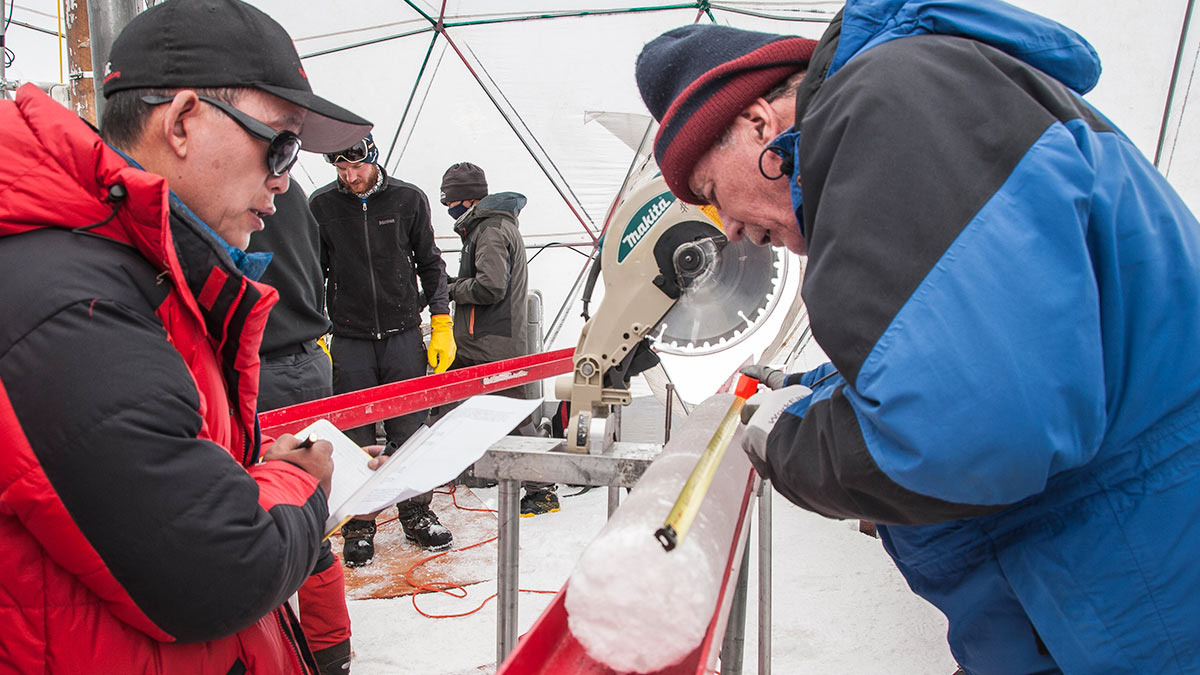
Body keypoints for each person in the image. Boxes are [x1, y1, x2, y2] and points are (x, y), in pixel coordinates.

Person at [635, 2, 1200, 673]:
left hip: (1139, 596)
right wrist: (811, 392)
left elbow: (972, 429)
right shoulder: (909, 101)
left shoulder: (890, 101)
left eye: (708, 191)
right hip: (1111, 578)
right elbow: (982, 342)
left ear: (758, 123)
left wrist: (786, 443)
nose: (724, 226)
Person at [0, 0, 374, 671]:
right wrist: (304, 480)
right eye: (280, 142)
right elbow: (223, 564)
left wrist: (251, 466)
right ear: (180, 122)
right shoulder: (70, 301)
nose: (285, 180)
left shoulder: (134, 270)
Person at [310, 134, 457, 563]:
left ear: (372, 159)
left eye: (355, 168)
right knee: (355, 435)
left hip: (402, 334)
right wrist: (317, 328)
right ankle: (360, 523)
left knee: (408, 430)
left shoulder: (408, 199)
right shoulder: (322, 206)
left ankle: (416, 514)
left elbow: (430, 262)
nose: (349, 177)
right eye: (341, 170)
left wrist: (442, 320)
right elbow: (313, 272)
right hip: (350, 337)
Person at [247, 182, 351, 675]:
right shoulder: (293, 193)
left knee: (282, 518)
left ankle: (319, 655)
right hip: (308, 358)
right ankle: (330, 653)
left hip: (267, 364)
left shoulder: (232, 190)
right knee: (310, 517)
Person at [439, 162, 558, 516]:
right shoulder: (488, 226)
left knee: (515, 419)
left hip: (492, 343)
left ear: (468, 199)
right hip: (482, 341)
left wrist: (449, 289)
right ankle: (429, 480)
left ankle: (543, 490)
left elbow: (490, 287)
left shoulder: (490, 229)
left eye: (451, 202)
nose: (448, 209)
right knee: (445, 405)